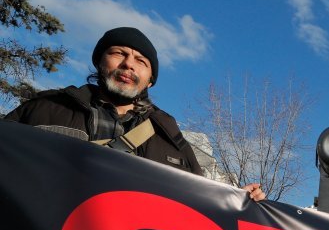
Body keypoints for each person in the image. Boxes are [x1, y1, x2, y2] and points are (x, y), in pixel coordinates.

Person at [4, 26, 265, 201]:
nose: (128, 63)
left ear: (150, 80)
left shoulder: (171, 139)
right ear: (100, 62)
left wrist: (236, 201)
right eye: (118, 53)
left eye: (141, 61)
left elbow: (198, 200)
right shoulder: (44, 109)